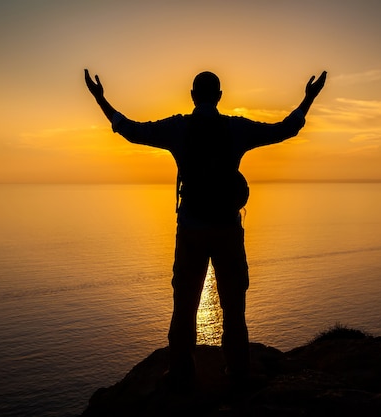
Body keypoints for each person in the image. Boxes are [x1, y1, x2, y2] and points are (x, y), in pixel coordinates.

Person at [84, 68, 327, 388]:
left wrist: (99, 98)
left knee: (184, 305)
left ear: (193, 96)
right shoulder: (236, 128)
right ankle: (238, 372)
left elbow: (129, 129)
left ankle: (182, 373)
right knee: (233, 307)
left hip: (191, 231)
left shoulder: (178, 128)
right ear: (220, 97)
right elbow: (286, 129)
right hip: (227, 229)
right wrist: (309, 98)